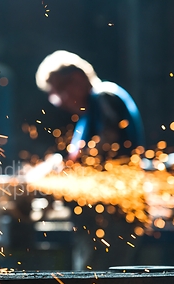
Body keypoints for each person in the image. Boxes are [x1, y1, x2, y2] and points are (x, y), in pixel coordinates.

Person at [35, 50, 146, 270]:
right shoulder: (87, 118)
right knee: (90, 277)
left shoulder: (105, 97)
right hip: (100, 214)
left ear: (77, 79)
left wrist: (60, 170)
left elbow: (103, 149)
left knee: (101, 281)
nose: (59, 102)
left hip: (114, 212)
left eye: (59, 92)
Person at [36, 50, 145, 161]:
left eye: (60, 90)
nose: (60, 102)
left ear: (78, 78)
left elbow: (109, 137)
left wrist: (77, 162)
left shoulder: (104, 95)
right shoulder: (87, 115)